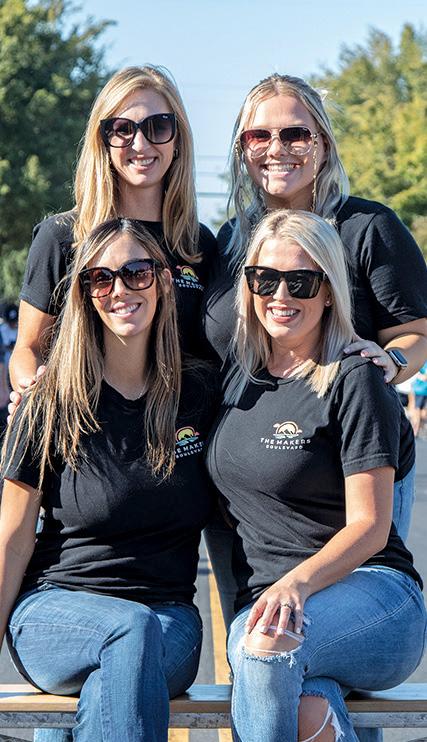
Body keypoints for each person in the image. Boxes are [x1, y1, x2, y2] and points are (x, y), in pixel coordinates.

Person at [202, 74, 427, 641]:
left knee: (335, 626)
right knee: (253, 631)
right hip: (241, 464)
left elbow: (416, 332)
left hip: (348, 460)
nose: (276, 148)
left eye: (295, 134)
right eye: (259, 136)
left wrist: (389, 361)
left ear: (323, 143)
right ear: (242, 149)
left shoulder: (367, 227)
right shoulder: (230, 239)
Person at [206, 209, 426, 742]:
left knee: (266, 648)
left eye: (300, 282)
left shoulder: (355, 377)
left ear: (329, 291)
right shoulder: (235, 380)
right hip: (269, 603)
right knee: (309, 708)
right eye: (264, 279)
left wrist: (295, 584)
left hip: (371, 594)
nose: (280, 295)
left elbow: (370, 526)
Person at [1, 218, 218, 742]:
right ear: (84, 295)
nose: (120, 289)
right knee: (127, 633)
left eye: (137, 272)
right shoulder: (50, 401)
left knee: (123, 661)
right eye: (100, 278)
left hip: (168, 620)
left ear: (163, 281)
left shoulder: (201, 394)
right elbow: (12, 537)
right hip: (54, 610)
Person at [9, 64, 216, 397]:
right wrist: (31, 396)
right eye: (122, 129)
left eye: (159, 126)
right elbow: (27, 349)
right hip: (86, 426)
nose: (141, 144)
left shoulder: (197, 242)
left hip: (181, 425)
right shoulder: (62, 237)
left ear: (177, 138)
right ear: (103, 141)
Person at [411, 362, 427, 437]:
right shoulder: (423, 362)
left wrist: (419, 376)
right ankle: (416, 429)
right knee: (417, 410)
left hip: (422, 391)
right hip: (419, 390)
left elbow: (424, 377)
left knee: (420, 412)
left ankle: (417, 429)